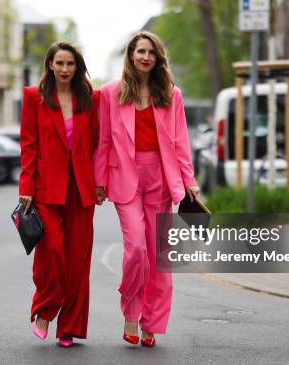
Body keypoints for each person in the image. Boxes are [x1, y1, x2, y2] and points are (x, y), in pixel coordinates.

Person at [94, 31, 199, 348]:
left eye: (151, 52)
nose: (146, 57)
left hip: (161, 179)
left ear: (158, 58)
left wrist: (189, 180)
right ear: (131, 54)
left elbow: (180, 141)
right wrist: (99, 181)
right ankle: (131, 313)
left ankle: (151, 323)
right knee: (137, 248)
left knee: (158, 257)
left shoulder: (171, 94)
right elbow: (103, 141)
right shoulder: (111, 93)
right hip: (125, 178)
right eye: (141, 51)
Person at [19, 41, 99, 348]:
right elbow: (28, 144)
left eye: (70, 64)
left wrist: (100, 181)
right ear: (50, 65)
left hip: (81, 187)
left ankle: (69, 328)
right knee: (51, 252)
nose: (64, 69)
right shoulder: (33, 97)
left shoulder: (91, 98)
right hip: (45, 186)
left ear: (77, 67)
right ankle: (45, 309)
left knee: (78, 261)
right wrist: (26, 185)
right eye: (59, 63)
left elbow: (97, 144)